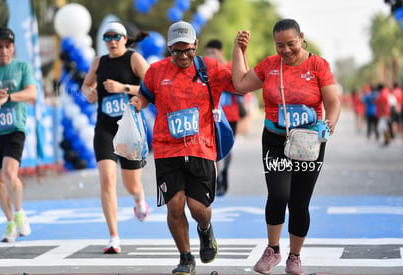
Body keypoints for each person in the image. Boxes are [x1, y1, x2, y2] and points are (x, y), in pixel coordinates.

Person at [232, 19, 341, 275]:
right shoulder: (270, 66)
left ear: (301, 38)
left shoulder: (318, 66)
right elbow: (240, 84)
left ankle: (295, 256)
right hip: (275, 140)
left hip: (309, 141)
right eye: (280, 45)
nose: (286, 50)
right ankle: (272, 250)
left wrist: (329, 124)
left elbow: (333, 102)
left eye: (291, 44)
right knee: (279, 195)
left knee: (300, 202)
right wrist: (240, 50)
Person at [130, 21, 235, 275]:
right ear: (168, 49)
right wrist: (138, 101)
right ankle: (185, 257)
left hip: (201, 148)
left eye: (188, 50)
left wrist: (240, 51)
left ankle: (205, 229)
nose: (184, 56)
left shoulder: (210, 69)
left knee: (198, 208)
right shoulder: (156, 71)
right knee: (175, 205)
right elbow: (145, 95)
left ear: (196, 45)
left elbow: (241, 83)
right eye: (177, 51)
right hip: (167, 148)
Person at [81, 21, 150, 254]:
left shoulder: (134, 59)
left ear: (125, 39)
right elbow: (85, 85)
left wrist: (124, 88)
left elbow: (152, 86)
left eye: (116, 37)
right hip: (105, 128)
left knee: (131, 183)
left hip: (129, 127)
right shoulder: (99, 62)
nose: (111, 41)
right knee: (108, 179)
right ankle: (113, 236)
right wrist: (89, 93)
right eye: (107, 37)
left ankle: (139, 197)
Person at [0, 27, 37, 242]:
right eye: (0, 46)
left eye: (8, 46)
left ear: (13, 47)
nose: (4, 50)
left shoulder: (22, 67)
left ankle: (19, 214)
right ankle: (10, 222)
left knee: (10, 173)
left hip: (15, 128)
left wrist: (7, 98)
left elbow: (31, 93)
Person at [205, 39, 243, 196]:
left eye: (213, 52)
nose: (210, 56)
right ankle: (217, 176)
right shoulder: (208, 68)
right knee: (213, 147)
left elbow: (240, 86)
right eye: (208, 53)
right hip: (214, 114)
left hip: (231, 115)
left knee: (227, 146)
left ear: (220, 51)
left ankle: (225, 172)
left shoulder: (229, 67)